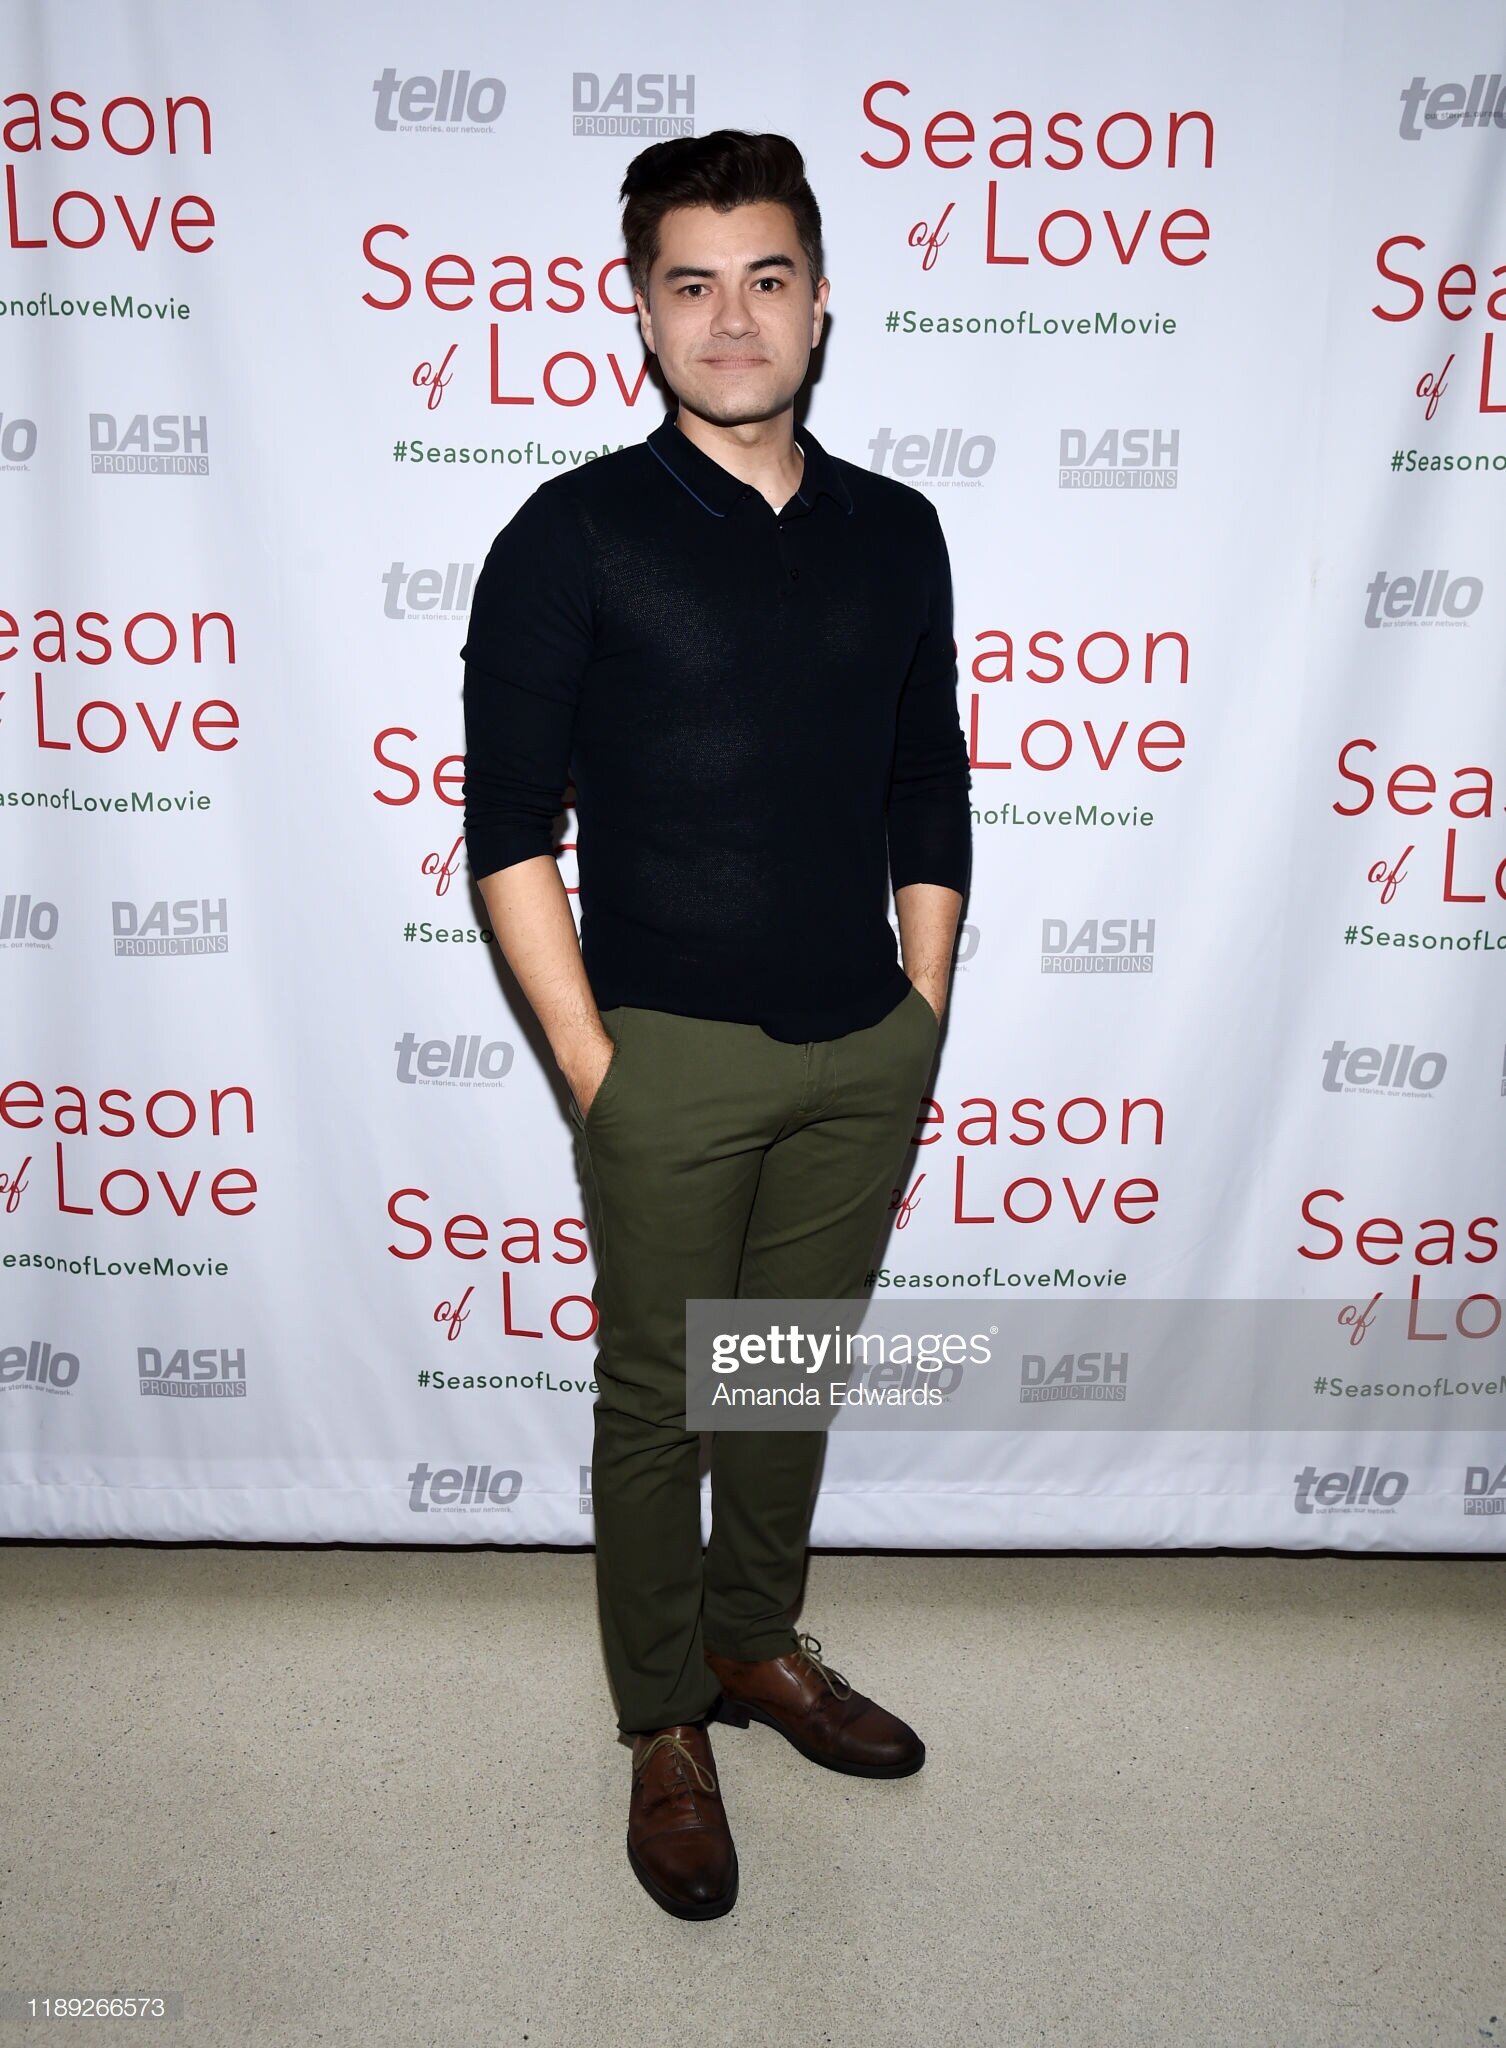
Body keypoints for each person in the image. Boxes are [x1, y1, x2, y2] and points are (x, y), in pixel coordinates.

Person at [460, 129, 972, 1920]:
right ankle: (664, 1721)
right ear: (642, 309)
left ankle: (757, 1644)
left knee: (780, 1379)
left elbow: (927, 781)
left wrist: (918, 1004)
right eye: (692, 282)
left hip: (861, 1049)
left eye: (766, 278)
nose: (731, 316)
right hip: (663, 1054)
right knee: (658, 1403)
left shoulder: (896, 530)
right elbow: (507, 830)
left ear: (818, 302)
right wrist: (601, 1073)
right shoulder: (572, 532)